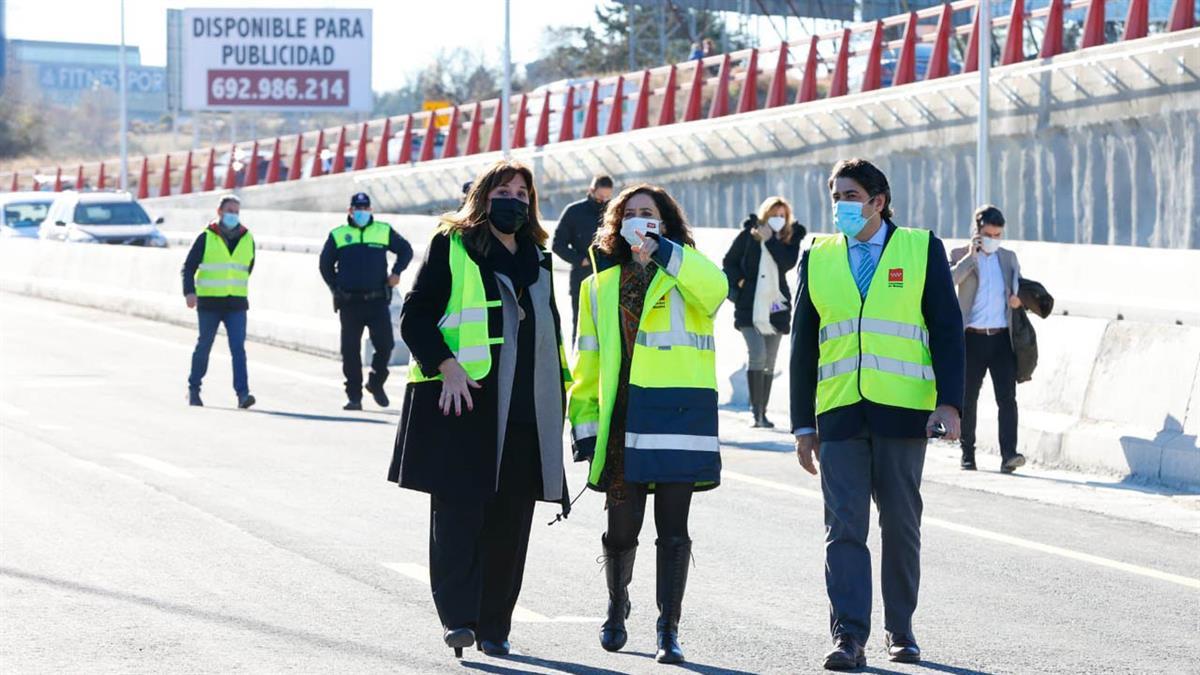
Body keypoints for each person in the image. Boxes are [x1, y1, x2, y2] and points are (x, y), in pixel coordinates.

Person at [387, 160, 571, 659]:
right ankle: (458, 619)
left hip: (525, 407)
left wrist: (558, 399)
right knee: (458, 516)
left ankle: (494, 627)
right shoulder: (452, 245)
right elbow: (415, 316)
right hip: (467, 401)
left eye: (522, 193)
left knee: (511, 525)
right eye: (503, 191)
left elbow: (551, 331)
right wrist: (446, 366)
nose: (514, 200)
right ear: (483, 197)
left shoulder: (540, 258)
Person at [790, 159, 964, 670]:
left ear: (878, 201)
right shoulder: (817, 255)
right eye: (835, 197)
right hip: (839, 413)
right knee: (844, 528)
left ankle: (900, 629)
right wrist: (802, 425)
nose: (840, 206)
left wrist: (950, 403)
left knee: (901, 525)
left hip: (903, 412)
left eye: (849, 196)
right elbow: (803, 345)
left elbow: (946, 330)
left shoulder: (920, 248)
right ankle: (848, 636)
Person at [568, 184, 728, 665]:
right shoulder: (597, 287)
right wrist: (584, 427)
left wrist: (665, 253)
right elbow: (587, 362)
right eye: (631, 213)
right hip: (623, 419)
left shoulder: (686, 272)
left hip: (678, 414)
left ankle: (668, 628)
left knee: (673, 529)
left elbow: (717, 290)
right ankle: (617, 604)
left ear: (665, 223)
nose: (640, 220)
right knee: (622, 529)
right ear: (617, 225)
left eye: (649, 213)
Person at [949, 205, 1026, 473]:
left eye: (998, 235)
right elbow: (949, 281)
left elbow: (1020, 288)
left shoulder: (1008, 258)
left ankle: (1009, 455)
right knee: (968, 398)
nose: (993, 239)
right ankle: (967, 454)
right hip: (972, 338)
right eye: (988, 234)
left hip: (1001, 338)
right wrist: (970, 257)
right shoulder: (960, 254)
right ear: (977, 231)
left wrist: (1018, 300)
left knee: (1007, 399)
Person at [319, 192, 413, 410]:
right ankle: (354, 396)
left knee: (386, 345)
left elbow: (405, 250)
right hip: (349, 303)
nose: (361, 212)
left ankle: (376, 382)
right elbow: (325, 265)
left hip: (377, 301)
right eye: (357, 208)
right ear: (350, 211)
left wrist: (396, 272)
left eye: (365, 208)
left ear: (370, 210)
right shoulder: (339, 235)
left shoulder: (383, 231)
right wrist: (335, 287)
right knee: (350, 351)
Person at [722, 196, 805, 428]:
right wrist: (740, 282)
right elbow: (729, 261)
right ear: (765, 215)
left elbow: (787, 263)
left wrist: (770, 241)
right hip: (749, 305)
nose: (778, 219)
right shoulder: (749, 235)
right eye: (773, 215)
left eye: (782, 216)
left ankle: (762, 413)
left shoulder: (790, 237)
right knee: (757, 353)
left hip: (776, 306)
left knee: (770, 360)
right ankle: (755, 412)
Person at [181, 195, 256, 409]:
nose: (233, 215)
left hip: (236, 304)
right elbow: (188, 267)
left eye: (236, 212)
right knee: (204, 345)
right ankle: (194, 389)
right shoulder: (206, 237)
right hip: (210, 303)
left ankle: (243, 394)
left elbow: (248, 268)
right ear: (219, 212)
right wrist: (189, 292)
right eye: (229, 211)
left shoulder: (247, 237)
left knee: (238, 349)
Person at [552, 175, 614, 341]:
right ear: (591, 191)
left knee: (609, 328)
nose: (604, 202)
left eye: (607, 198)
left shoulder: (614, 213)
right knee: (582, 328)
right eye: (600, 197)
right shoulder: (574, 212)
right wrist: (581, 260)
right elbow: (557, 245)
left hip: (609, 278)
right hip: (582, 278)